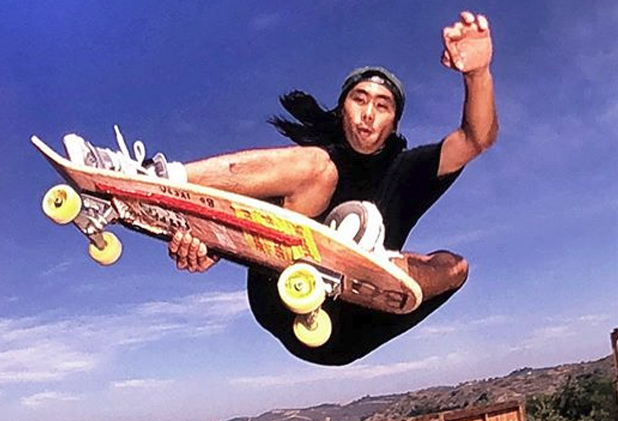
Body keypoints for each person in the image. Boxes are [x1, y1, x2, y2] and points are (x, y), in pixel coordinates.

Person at [67, 12, 498, 365]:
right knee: (318, 167)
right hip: (283, 299)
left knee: (455, 267)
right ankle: (151, 177)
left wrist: (477, 73)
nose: (368, 113)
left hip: (354, 324)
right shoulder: (308, 167)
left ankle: (373, 268)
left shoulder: (409, 169)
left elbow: (476, 137)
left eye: (382, 105)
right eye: (359, 99)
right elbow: (226, 226)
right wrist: (199, 243)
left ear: (394, 121)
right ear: (342, 109)